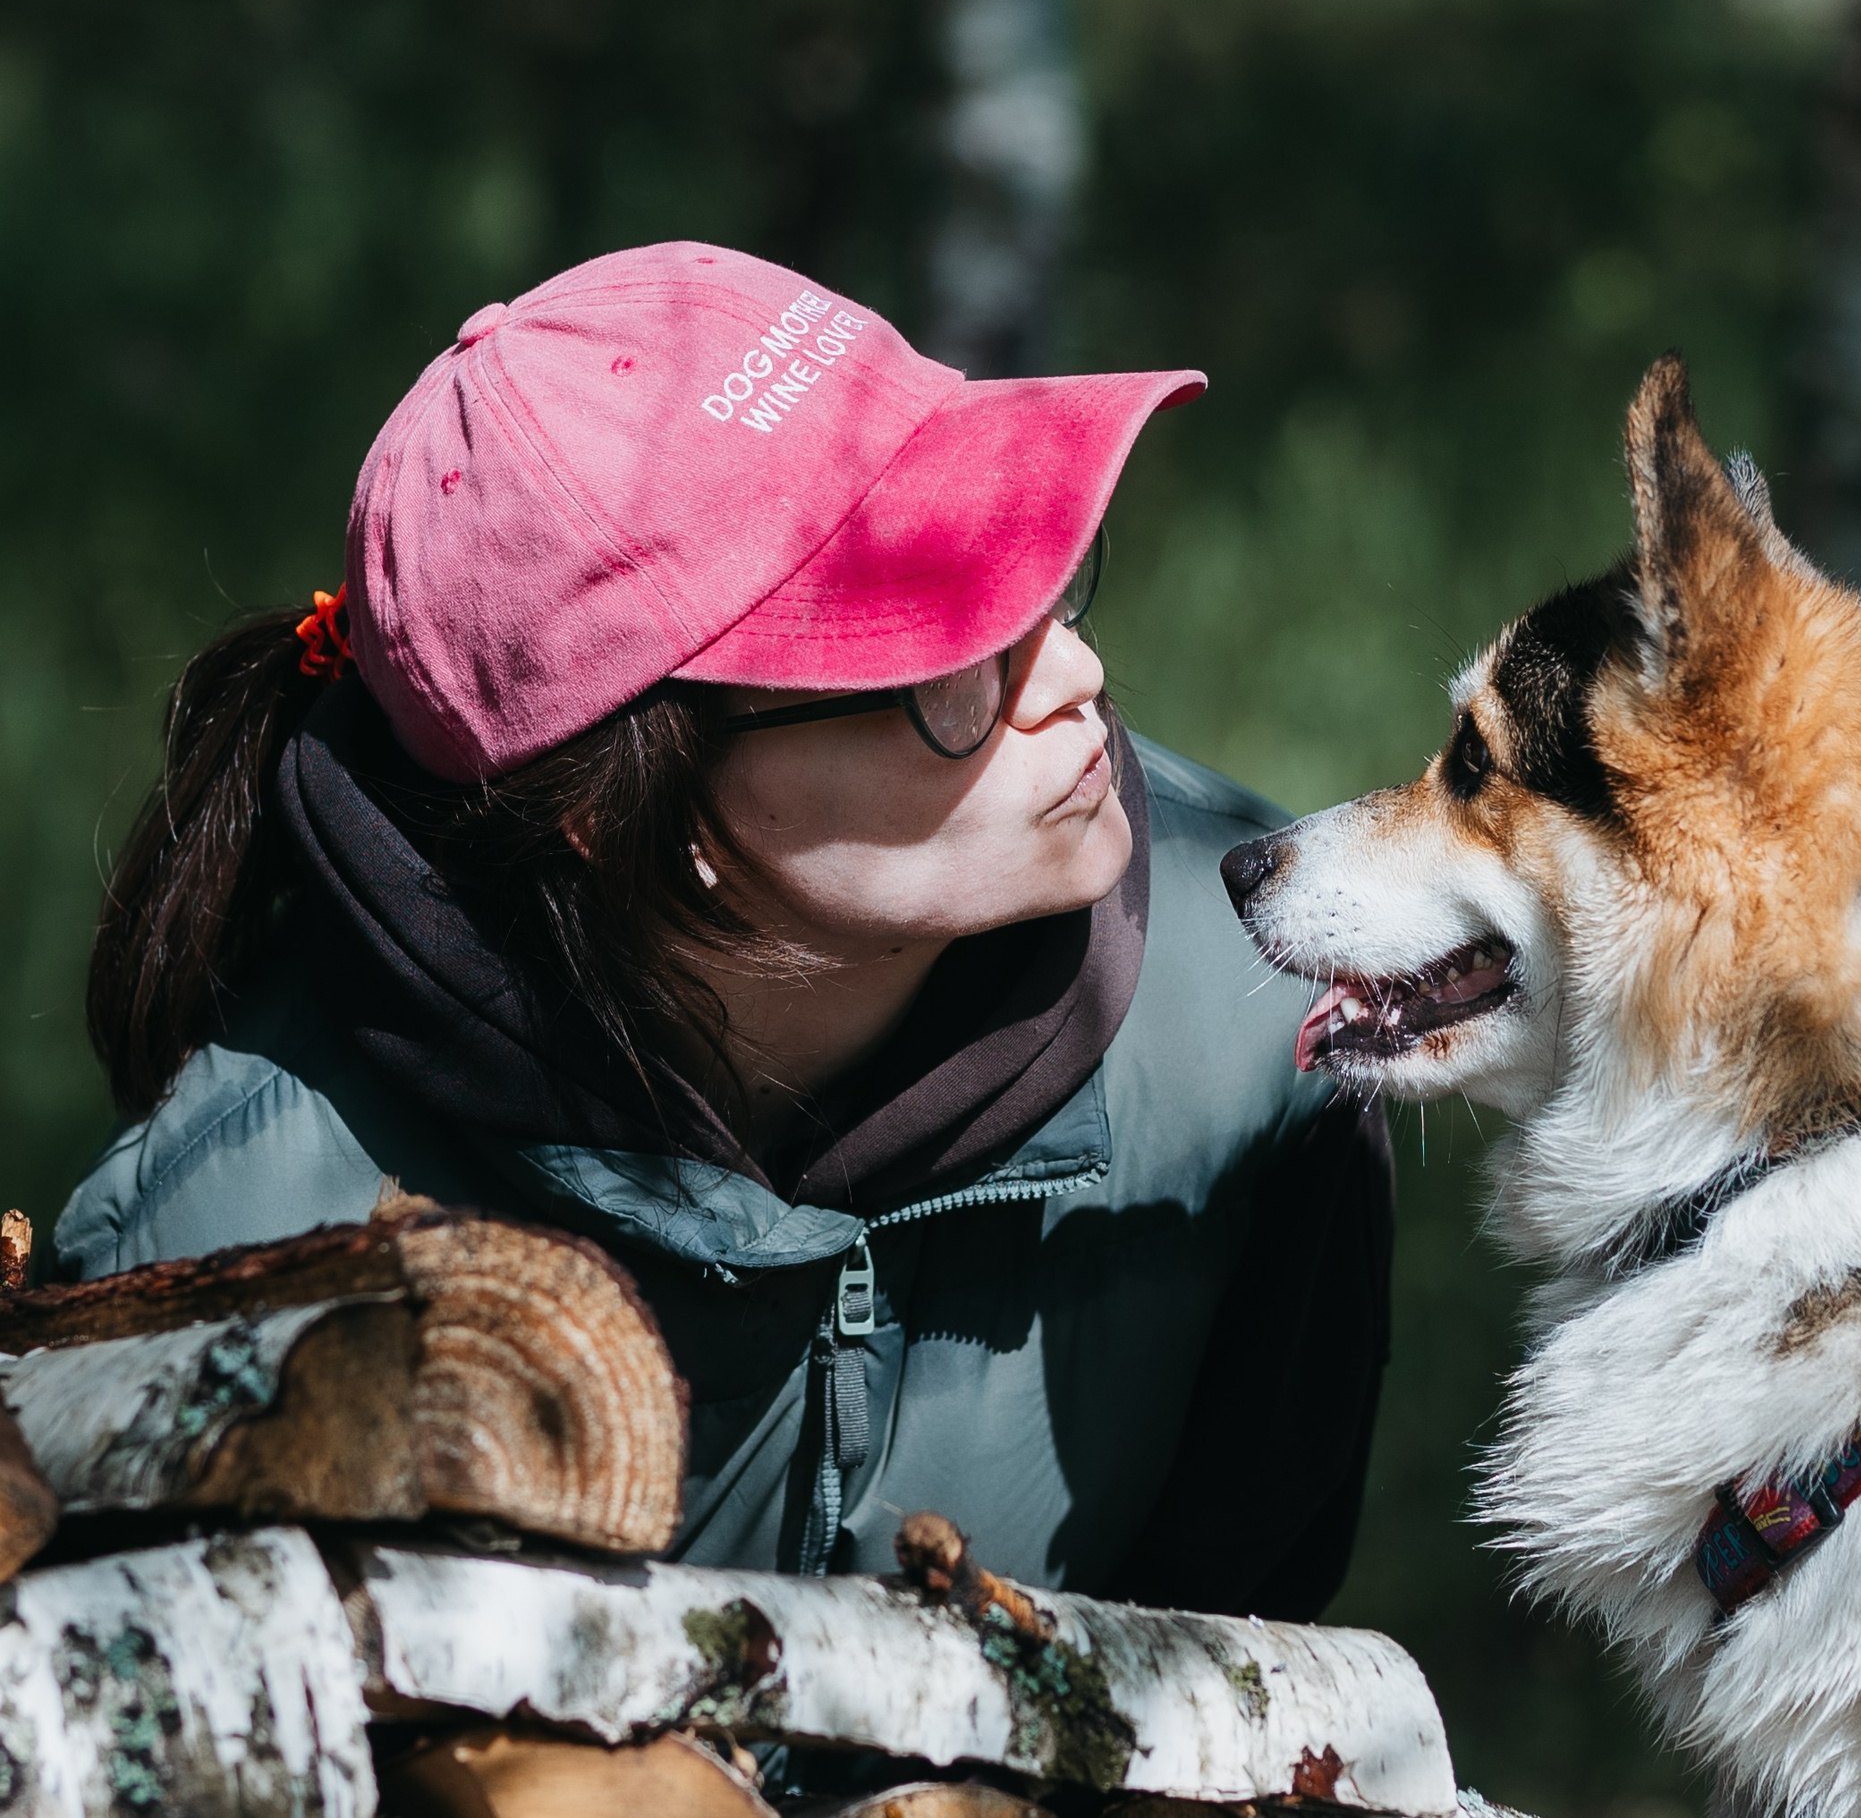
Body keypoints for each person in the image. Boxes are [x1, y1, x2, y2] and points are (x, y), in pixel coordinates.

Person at [56, 242, 1391, 1626]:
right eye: (945, 664)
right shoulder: (233, 1243)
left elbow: (1233, 1679)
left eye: (1038, 572)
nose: (1076, 677)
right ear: (618, 812)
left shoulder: (1270, 1025)